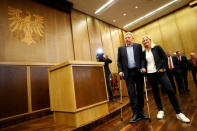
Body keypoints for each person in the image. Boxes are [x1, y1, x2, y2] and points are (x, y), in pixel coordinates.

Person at [141, 36, 190, 123]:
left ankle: (179, 113)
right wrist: (143, 68)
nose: (145, 42)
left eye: (146, 40)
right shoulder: (143, 52)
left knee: (170, 90)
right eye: (143, 41)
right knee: (155, 92)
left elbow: (165, 58)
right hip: (150, 74)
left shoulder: (157, 47)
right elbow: (143, 63)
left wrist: (163, 68)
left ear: (150, 40)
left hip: (160, 72)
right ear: (143, 43)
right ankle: (160, 110)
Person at [117, 32, 148, 123]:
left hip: (138, 71)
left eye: (129, 37)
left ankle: (141, 112)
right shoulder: (121, 48)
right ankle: (135, 113)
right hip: (128, 73)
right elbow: (119, 61)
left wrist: (143, 67)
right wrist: (120, 70)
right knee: (131, 93)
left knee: (140, 91)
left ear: (132, 38)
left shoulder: (138, 46)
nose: (127, 38)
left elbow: (142, 58)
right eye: (125, 37)